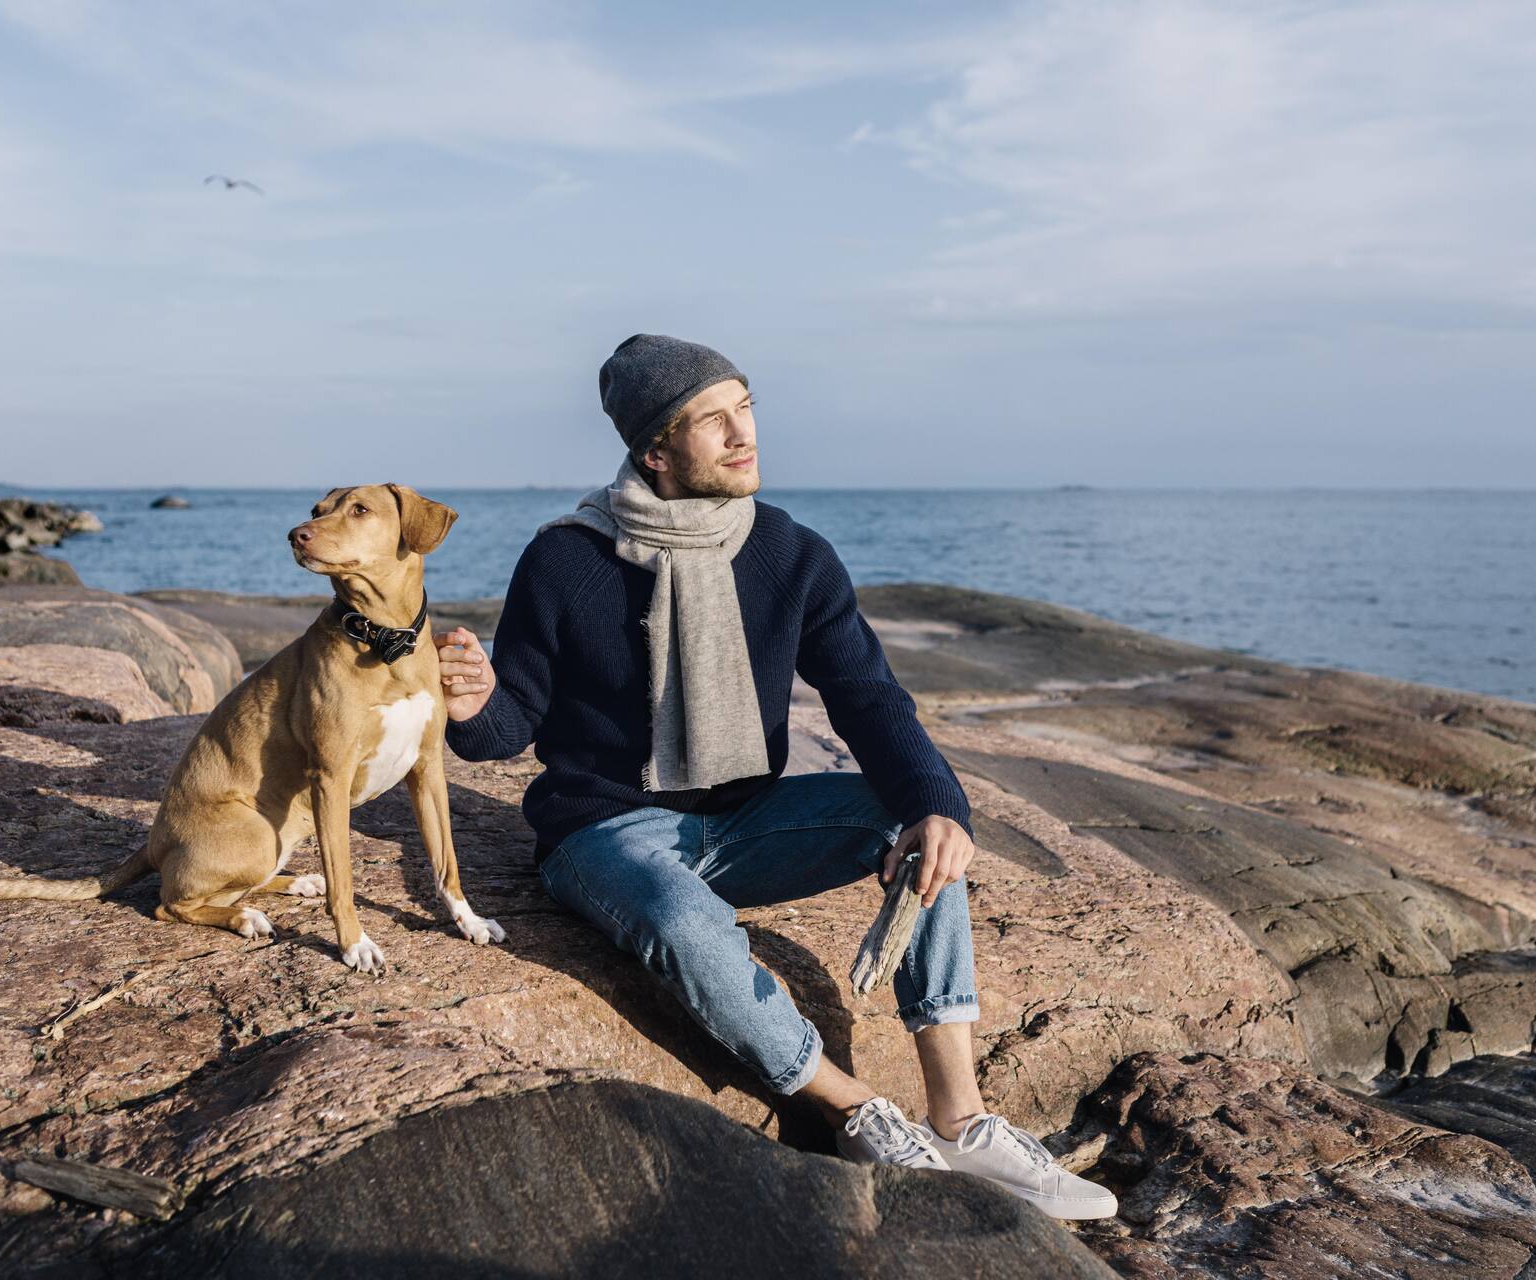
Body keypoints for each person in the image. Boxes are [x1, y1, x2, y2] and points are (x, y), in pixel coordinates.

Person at [435, 334, 1115, 1219]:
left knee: (917, 829)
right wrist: (474, 697)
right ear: (655, 451)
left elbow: (868, 698)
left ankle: (962, 1117)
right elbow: (507, 726)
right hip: (604, 832)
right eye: (712, 420)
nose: (743, 433)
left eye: (745, 407)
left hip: (749, 819)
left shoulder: (790, 553)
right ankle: (853, 1107)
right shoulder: (565, 560)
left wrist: (939, 806)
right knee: (685, 921)